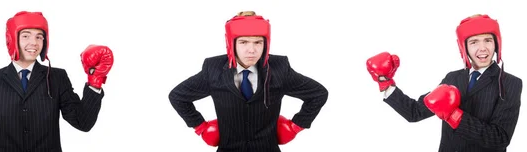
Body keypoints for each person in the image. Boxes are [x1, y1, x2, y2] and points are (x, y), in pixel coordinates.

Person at [0, 11, 115, 152]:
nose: (34, 43)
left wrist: (95, 80)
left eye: (39, 36)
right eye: (26, 36)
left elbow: (83, 123)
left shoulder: (57, 77)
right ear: (12, 39)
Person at [169, 11, 329, 152]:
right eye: (244, 42)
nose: (251, 50)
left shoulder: (280, 69)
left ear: (266, 44)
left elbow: (318, 94)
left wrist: (296, 126)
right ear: (231, 44)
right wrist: (200, 126)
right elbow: (178, 96)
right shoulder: (213, 69)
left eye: (258, 42)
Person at [366, 14, 522, 152]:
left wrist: (455, 116)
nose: (482, 48)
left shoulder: (510, 83)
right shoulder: (453, 78)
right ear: (464, 47)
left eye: (488, 40)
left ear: (496, 44)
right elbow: (415, 112)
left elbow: (500, 139)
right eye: (474, 42)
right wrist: (385, 82)